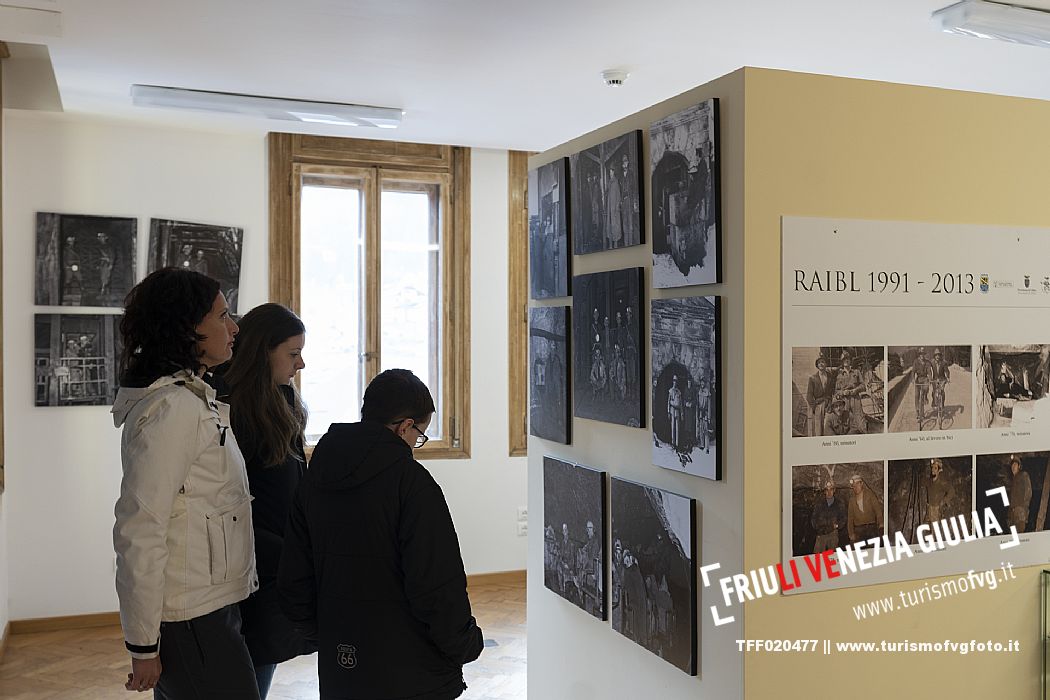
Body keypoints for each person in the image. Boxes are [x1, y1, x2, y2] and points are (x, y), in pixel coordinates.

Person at [279, 369, 483, 700]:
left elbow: (294, 575)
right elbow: (436, 585)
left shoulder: (315, 476)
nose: (415, 444)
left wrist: (327, 634)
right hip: (413, 672)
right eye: (419, 435)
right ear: (405, 426)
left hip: (341, 667)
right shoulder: (413, 484)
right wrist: (465, 644)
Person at [111, 267, 259, 698]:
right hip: (190, 615)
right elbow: (140, 527)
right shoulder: (172, 408)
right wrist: (142, 645)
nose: (233, 328)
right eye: (222, 317)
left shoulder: (191, 398)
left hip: (206, 606)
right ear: (186, 328)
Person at [220, 303, 315, 698]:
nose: (301, 364)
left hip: (277, 565)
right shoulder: (224, 407)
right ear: (263, 350)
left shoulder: (283, 400)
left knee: (261, 666)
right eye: (293, 354)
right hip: (242, 566)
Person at [810, 479, 845, 553]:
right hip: (821, 533)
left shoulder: (839, 504)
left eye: (831, 489)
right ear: (824, 491)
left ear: (834, 490)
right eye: (827, 490)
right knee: (817, 557)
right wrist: (817, 527)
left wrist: (837, 525)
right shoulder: (819, 504)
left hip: (833, 534)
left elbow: (843, 518)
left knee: (832, 557)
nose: (829, 492)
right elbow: (813, 518)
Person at [846, 474, 883, 544]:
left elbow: (877, 509)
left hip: (871, 528)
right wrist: (851, 533)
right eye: (854, 486)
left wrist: (881, 523)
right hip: (859, 531)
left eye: (857, 484)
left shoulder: (870, 494)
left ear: (862, 483)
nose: (856, 487)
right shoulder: (852, 500)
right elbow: (850, 519)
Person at [806, 356, 833, 437]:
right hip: (818, 405)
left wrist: (830, 403)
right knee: (818, 429)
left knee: (828, 427)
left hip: (828, 404)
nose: (821, 364)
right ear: (817, 365)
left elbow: (832, 391)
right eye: (819, 362)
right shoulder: (813, 378)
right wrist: (814, 407)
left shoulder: (830, 376)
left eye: (823, 362)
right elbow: (809, 396)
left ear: (826, 364)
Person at [1008, 456, 1032, 533]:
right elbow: (1011, 499)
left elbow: (1028, 492)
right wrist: (1009, 514)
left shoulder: (1024, 475)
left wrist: (1024, 508)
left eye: (1015, 465)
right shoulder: (1012, 481)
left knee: (1020, 534)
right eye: (1012, 465)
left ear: (1019, 466)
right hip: (1012, 514)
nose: (1013, 467)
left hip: (1020, 511)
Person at [926, 458, 949, 524]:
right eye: (932, 468)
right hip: (929, 508)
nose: (933, 470)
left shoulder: (942, 482)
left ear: (939, 470)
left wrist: (944, 501)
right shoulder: (930, 481)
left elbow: (952, 491)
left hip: (936, 510)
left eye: (935, 468)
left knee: (935, 530)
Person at [912, 347, 932, 422]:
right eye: (921, 354)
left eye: (923, 354)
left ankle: (925, 397)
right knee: (917, 396)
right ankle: (918, 412)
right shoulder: (916, 361)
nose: (922, 355)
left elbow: (929, 371)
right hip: (918, 379)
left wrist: (930, 379)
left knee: (925, 390)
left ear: (924, 355)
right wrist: (913, 379)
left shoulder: (927, 362)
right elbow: (913, 371)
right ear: (919, 354)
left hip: (925, 379)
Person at [667, 375, 683, 452]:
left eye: (676, 381)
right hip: (672, 410)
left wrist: (682, 413)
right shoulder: (670, 391)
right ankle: (673, 443)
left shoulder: (679, 392)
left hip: (677, 411)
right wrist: (668, 412)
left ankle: (677, 443)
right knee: (672, 427)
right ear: (672, 381)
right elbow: (668, 402)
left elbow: (681, 404)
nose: (675, 382)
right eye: (674, 381)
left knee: (677, 428)